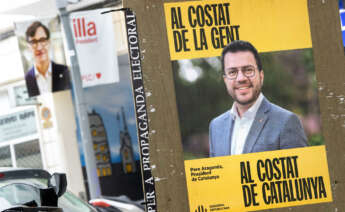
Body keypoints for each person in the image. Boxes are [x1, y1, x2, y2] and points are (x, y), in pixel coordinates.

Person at [209, 40, 308, 157]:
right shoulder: (216, 126)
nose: (241, 78)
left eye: (248, 70)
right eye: (232, 72)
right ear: (225, 80)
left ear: (261, 76)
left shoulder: (287, 122)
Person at [25, 21, 70, 97]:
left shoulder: (64, 71)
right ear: (28, 47)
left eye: (42, 40)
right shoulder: (27, 78)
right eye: (33, 42)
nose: (39, 47)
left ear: (49, 42)